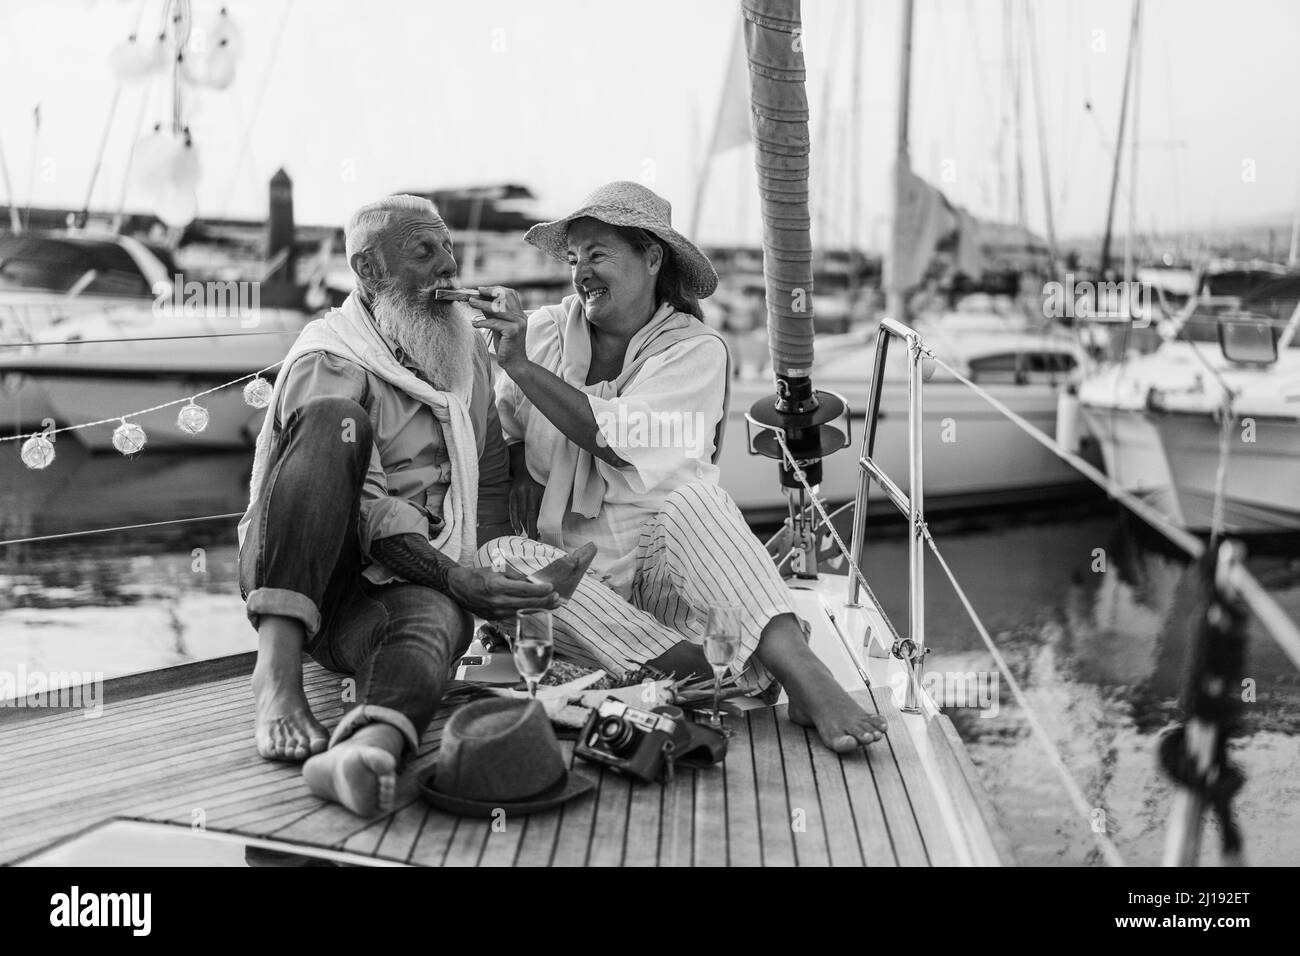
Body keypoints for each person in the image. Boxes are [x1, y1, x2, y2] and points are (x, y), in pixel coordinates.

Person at [470, 181, 887, 754]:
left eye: (598, 254)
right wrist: (522, 467)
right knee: (500, 557)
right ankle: (717, 666)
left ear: (651, 256)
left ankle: (803, 675)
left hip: (666, 578)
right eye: (574, 258)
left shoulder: (694, 351)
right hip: (580, 583)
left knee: (696, 502)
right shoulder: (543, 333)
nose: (581, 272)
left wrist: (514, 363)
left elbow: (614, 438)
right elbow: (507, 430)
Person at [237, 195, 558, 817]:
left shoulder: (467, 358)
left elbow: (486, 487)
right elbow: (364, 514)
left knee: (441, 622)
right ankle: (274, 677)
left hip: (395, 586)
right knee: (337, 421)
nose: (447, 267)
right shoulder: (332, 355)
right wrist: (453, 575)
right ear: (369, 270)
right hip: (308, 572)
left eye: (449, 251)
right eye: (424, 252)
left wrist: (488, 587)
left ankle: (365, 749)